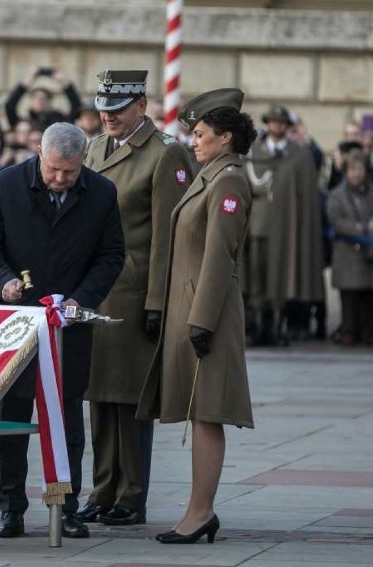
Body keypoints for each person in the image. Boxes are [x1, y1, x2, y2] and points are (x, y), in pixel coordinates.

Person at [0, 122, 125, 539]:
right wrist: (1, 280)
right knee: (12, 419)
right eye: (54, 170)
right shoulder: (5, 185)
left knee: (68, 421)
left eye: (70, 173)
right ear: (40, 153)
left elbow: (111, 256)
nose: (60, 179)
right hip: (15, 320)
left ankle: (67, 506)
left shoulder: (102, 193)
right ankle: (11, 508)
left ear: (82, 163)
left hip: (67, 325)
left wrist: (82, 299)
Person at [137, 88, 257, 544]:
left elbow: (218, 257)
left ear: (225, 137)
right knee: (199, 413)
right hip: (193, 311)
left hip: (209, 315)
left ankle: (201, 512)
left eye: (202, 134)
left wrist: (202, 321)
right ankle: (197, 510)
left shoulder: (228, 182)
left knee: (207, 413)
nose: (195, 141)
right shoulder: (211, 175)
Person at [78, 70, 195, 528]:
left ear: (141, 106)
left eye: (118, 109)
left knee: (129, 398)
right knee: (98, 396)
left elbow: (171, 234)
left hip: (132, 290)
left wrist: (158, 301)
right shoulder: (92, 148)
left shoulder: (166, 154)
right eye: (104, 109)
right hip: (93, 289)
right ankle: (102, 488)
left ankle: (132, 494)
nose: (108, 117)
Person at [245, 105, 323, 345]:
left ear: (287, 126)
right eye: (272, 121)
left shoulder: (299, 155)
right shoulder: (251, 152)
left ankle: (278, 326)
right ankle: (258, 327)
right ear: (267, 124)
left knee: (280, 277)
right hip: (256, 226)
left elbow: (306, 197)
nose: (276, 126)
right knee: (256, 276)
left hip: (286, 230)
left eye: (281, 122)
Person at [326, 150, 373, 346]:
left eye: (360, 169)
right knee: (349, 298)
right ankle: (348, 330)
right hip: (346, 253)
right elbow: (336, 221)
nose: (356, 173)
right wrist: (360, 229)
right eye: (352, 169)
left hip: (371, 255)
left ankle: (371, 331)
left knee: (372, 297)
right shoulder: (337, 195)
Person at [4, 66, 82, 132]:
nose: (40, 100)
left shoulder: (60, 122)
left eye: (44, 98)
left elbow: (77, 108)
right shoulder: (25, 122)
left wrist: (64, 83)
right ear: (31, 101)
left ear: (50, 102)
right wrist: (26, 83)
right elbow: (10, 106)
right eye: (36, 97)